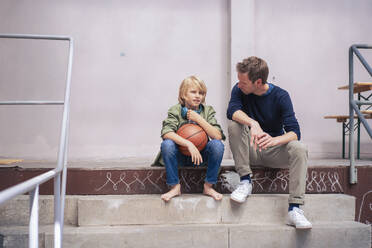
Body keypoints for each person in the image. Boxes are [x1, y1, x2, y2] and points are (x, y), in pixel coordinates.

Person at [226, 56, 312, 229]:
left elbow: (295, 132)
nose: (239, 84)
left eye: (243, 82)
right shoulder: (239, 89)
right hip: (249, 149)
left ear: (258, 82)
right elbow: (232, 111)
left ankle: (295, 209)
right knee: (235, 124)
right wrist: (253, 123)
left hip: (273, 151)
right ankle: (245, 181)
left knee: (299, 148)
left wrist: (274, 140)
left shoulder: (281, 96)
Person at [153, 75, 225, 202]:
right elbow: (166, 133)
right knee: (167, 144)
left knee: (217, 145)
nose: (198, 96)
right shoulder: (175, 110)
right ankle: (175, 186)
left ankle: (208, 186)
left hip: (200, 156)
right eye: (193, 92)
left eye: (201, 93)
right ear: (183, 95)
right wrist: (188, 144)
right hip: (180, 155)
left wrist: (199, 119)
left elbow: (218, 135)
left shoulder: (207, 111)